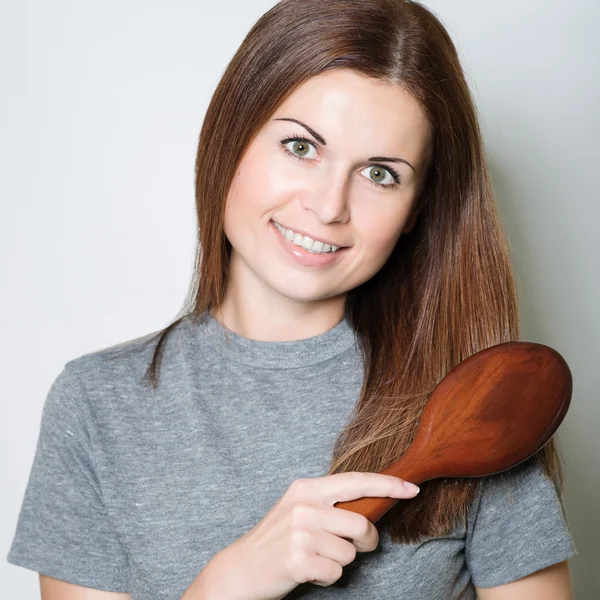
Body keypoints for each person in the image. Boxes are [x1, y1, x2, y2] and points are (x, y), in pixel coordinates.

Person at [6, 0, 577, 598]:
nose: (329, 206)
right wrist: (226, 586)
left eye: (380, 173)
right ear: (232, 138)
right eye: (302, 147)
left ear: (418, 210)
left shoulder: (480, 408)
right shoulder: (95, 407)